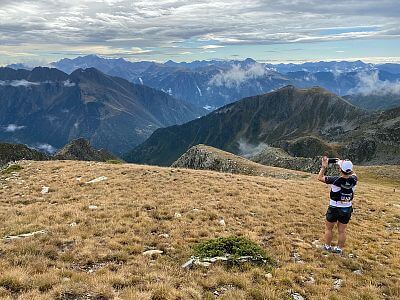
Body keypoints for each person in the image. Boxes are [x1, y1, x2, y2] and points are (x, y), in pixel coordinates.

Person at [317, 156, 357, 254]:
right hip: (347, 208)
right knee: (342, 231)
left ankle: (327, 246)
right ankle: (339, 249)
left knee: (329, 228)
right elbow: (352, 173)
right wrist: (343, 165)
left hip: (334, 207)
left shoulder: (335, 180)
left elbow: (319, 177)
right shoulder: (354, 180)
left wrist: (324, 166)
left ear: (340, 169)